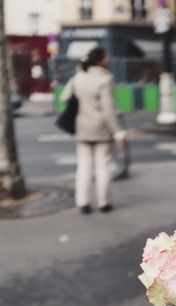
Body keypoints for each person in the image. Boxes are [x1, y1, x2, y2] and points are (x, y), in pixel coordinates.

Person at [60, 47, 127, 214]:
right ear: (101, 60)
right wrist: (118, 132)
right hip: (101, 128)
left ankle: (83, 203)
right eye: (107, 57)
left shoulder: (78, 77)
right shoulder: (105, 79)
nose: (109, 60)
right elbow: (108, 109)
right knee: (103, 165)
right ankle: (104, 203)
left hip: (81, 126)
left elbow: (64, 97)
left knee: (83, 165)